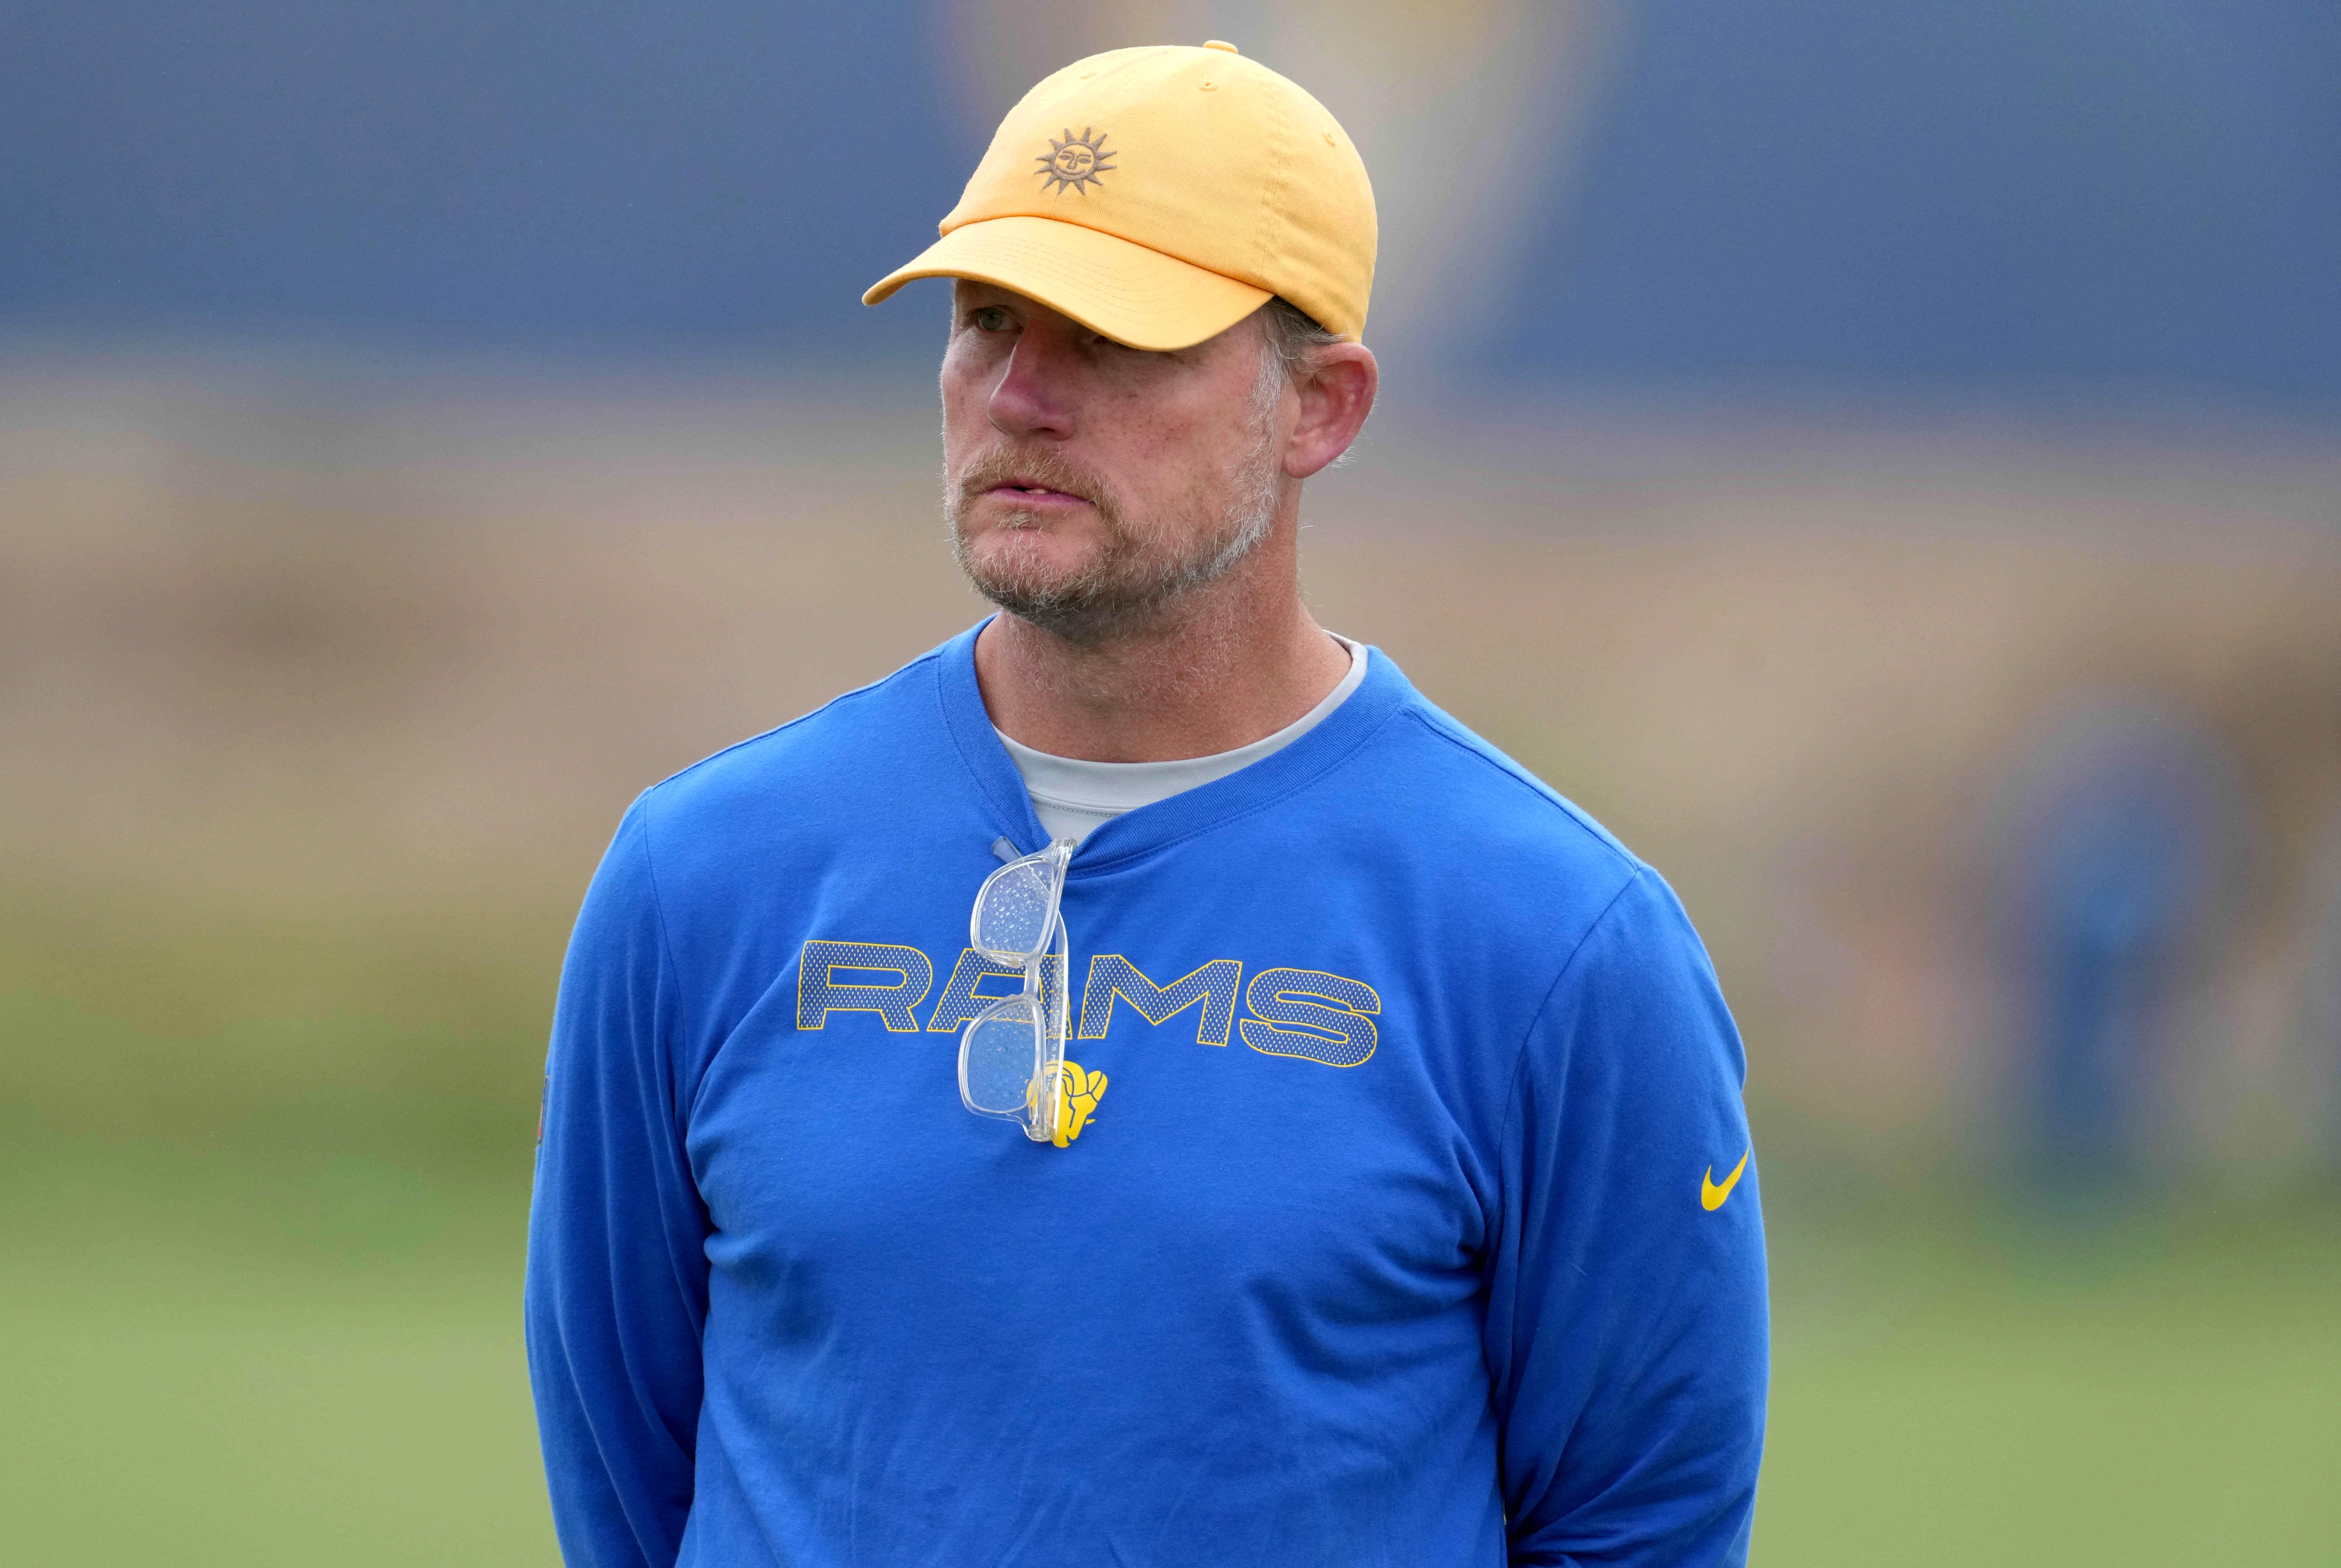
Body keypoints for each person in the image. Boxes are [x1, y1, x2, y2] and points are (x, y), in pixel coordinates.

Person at [527, 41, 1767, 1568]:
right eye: (988, 321)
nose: (1023, 397)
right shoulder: (700, 876)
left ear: (1319, 408)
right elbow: (621, 1479)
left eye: (1114, 339)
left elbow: (1640, 1522)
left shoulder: (1555, 942)